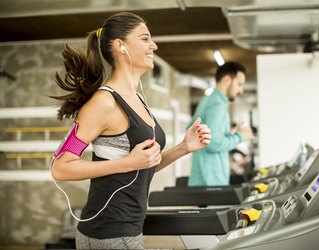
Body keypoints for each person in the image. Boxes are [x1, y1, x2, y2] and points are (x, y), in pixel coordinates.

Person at [49, 12, 211, 249]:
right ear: (120, 46)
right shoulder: (104, 102)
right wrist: (126, 163)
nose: (153, 46)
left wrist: (184, 148)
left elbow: (144, 165)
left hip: (127, 229)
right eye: (145, 39)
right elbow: (60, 167)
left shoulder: (136, 98)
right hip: (109, 232)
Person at [187, 62, 253, 186]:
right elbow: (213, 144)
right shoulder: (217, 104)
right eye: (239, 84)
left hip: (204, 179)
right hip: (211, 182)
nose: (241, 90)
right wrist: (241, 136)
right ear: (227, 80)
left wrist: (229, 134)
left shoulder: (208, 100)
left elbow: (199, 135)